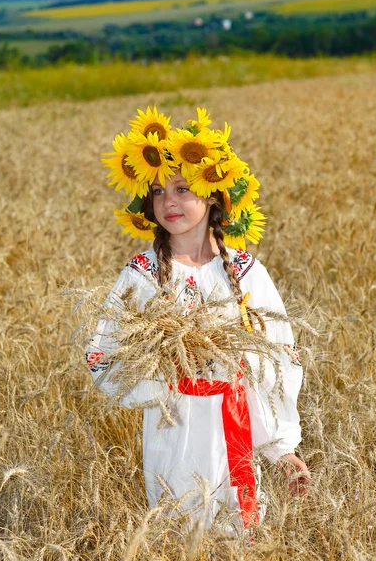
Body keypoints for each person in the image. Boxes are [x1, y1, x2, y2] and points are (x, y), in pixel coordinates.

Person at [85, 107, 311, 537]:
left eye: (183, 187)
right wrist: (162, 380)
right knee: (177, 537)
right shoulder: (142, 273)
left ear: (212, 195)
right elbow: (101, 353)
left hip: (236, 428)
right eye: (157, 192)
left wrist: (281, 449)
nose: (168, 201)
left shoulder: (244, 272)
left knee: (239, 544)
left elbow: (276, 357)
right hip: (173, 428)